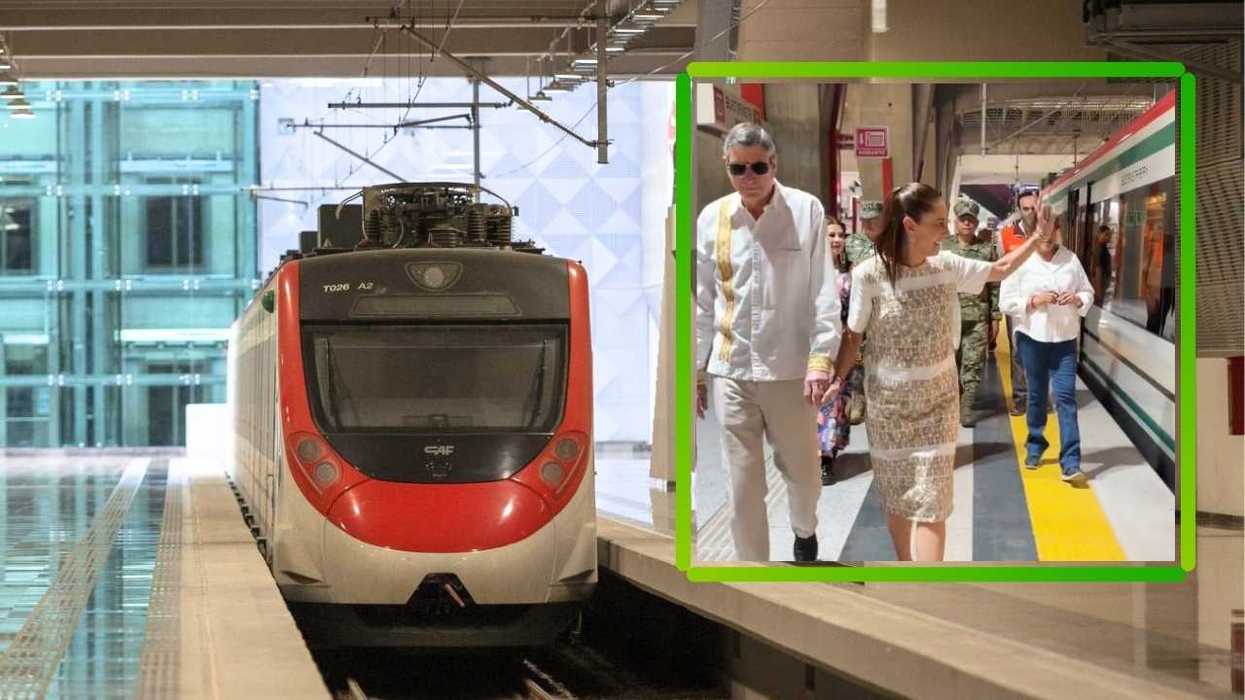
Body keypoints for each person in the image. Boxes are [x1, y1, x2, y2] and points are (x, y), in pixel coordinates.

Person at [828, 182, 1052, 561]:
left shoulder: (947, 265)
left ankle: (927, 585)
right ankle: (905, 568)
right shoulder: (869, 275)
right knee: (897, 493)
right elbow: (853, 335)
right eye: (937, 222)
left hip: (938, 403)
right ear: (910, 225)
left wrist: (1038, 237)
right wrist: (836, 379)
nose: (946, 232)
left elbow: (1000, 268)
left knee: (933, 499)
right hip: (888, 407)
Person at [694, 122, 841, 562]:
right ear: (727, 166)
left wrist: (821, 360)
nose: (749, 177)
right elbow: (703, 302)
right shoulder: (712, 218)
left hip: (791, 371)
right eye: (739, 169)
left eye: (759, 167)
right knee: (742, 483)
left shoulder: (806, 211)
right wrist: (695, 372)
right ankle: (752, 573)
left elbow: (823, 290)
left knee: (803, 474)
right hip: (731, 370)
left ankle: (804, 528)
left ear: (774, 163)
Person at [999, 228, 1094, 484]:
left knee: (1065, 398)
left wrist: (1077, 298)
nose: (1048, 238)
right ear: (1033, 235)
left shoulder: (1071, 259)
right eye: (1043, 233)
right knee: (1037, 396)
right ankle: (1036, 444)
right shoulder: (1020, 260)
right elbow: (1005, 302)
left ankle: (1071, 461)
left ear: (1059, 233)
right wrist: (1032, 301)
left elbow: (1088, 292)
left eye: (1053, 232)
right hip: (1032, 338)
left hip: (1064, 340)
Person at [942, 200, 998, 428]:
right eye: (963, 218)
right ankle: (952, 403)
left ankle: (966, 408)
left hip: (976, 316)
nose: (967, 222)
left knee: (973, 365)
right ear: (955, 222)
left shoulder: (987, 250)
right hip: (947, 317)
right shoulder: (942, 248)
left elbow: (995, 285)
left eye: (971, 219)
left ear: (976, 222)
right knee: (948, 365)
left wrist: (995, 317)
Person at [816, 216, 860, 484]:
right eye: (831, 235)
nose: (836, 240)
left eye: (840, 235)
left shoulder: (849, 278)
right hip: (808, 350)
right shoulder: (807, 276)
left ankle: (826, 457)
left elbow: (855, 321)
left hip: (838, 350)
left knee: (834, 405)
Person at [997, 191, 1041, 415]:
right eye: (1026, 208)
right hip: (1017, 301)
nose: (1030, 213)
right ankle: (1021, 398)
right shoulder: (1005, 234)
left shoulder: (1049, 232)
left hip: (1043, 301)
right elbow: (999, 268)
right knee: (1019, 350)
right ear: (1019, 210)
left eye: (1034, 208)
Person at [845, 200, 882, 266]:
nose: (868, 225)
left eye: (874, 221)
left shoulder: (891, 243)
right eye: (864, 221)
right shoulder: (855, 243)